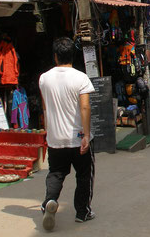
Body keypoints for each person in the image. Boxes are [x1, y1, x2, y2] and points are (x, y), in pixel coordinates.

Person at [39, 37, 96, 231]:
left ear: (55, 56)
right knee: (84, 175)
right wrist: (86, 135)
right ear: (73, 55)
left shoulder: (44, 78)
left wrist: (49, 132)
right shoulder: (81, 78)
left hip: (55, 139)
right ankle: (82, 212)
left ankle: (49, 201)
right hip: (78, 138)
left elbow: (46, 108)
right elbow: (85, 107)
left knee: (55, 174)